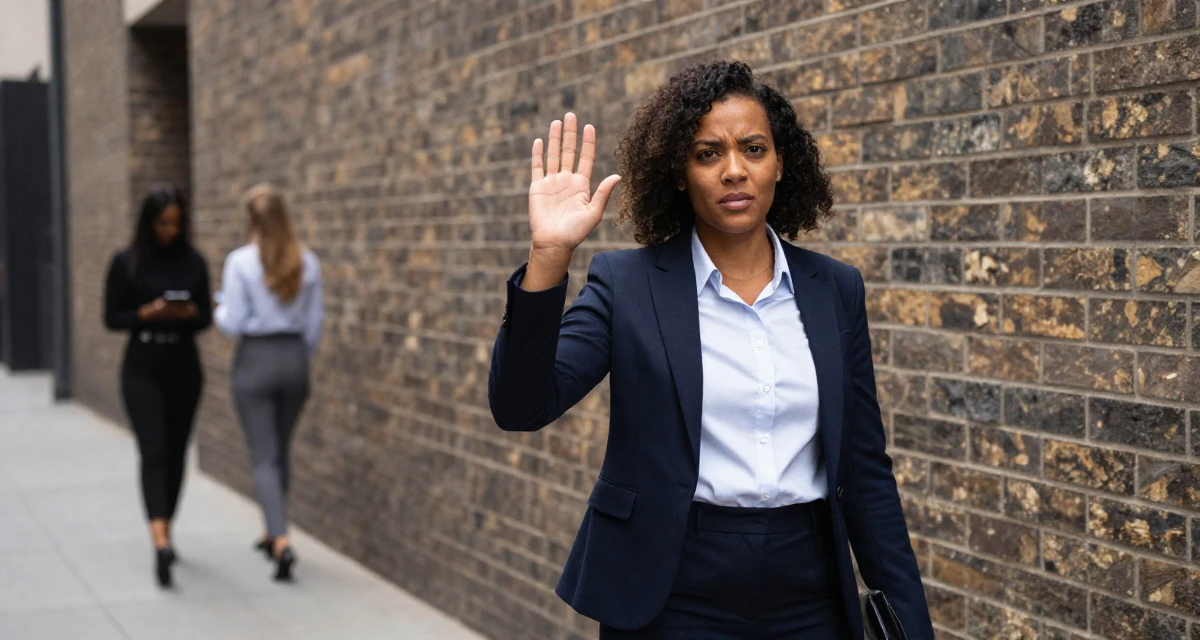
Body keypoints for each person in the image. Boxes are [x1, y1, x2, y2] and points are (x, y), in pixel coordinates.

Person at [489, 61, 934, 639]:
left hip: (810, 588)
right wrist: (549, 254)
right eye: (707, 154)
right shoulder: (629, 285)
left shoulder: (835, 290)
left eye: (753, 149)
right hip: (673, 589)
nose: (733, 171)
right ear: (680, 173)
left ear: (780, 164)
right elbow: (521, 406)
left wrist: (910, 619)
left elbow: (866, 468)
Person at [104, 183, 212, 588]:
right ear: (149, 223)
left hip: (183, 363)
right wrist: (146, 313)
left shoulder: (193, 262)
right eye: (163, 223)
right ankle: (160, 541)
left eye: (176, 224)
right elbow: (111, 317)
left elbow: (205, 318)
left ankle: (167, 524)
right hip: (142, 366)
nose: (170, 230)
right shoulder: (126, 262)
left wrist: (187, 312)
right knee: (154, 449)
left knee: (177, 451)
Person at [214, 183, 323, 582]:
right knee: (280, 449)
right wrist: (297, 359)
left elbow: (233, 323)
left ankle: (280, 540)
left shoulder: (240, 263)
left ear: (250, 220)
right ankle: (270, 528)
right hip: (293, 360)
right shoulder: (306, 263)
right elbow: (315, 327)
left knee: (263, 455)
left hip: (256, 361)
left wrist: (218, 306)